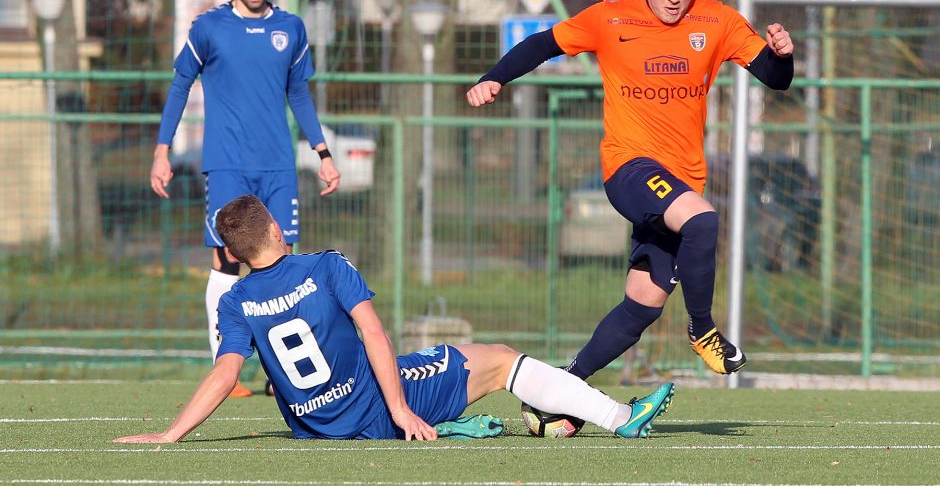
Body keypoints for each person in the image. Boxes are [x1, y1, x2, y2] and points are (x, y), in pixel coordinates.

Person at [466, 0, 794, 378]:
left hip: (682, 181)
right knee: (703, 220)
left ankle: (561, 390)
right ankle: (702, 330)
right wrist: (494, 78)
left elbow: (775, 79)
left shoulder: (718, 21)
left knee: (644, 304)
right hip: (629, 166)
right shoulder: (611, 17)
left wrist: (783, 56)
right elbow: (543, 44)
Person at [113, 195, 675, 443]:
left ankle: (451, 422)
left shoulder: (236, 302)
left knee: (435, 367)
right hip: (376, 408)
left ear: (235, 255)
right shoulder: (326, 266)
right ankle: (618, 415)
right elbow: (375, 333)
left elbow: (224, 375)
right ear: (278, 233)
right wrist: (400, 409)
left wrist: (170, 434)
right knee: (501, 359)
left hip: (314, 426)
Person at [150, 0, 341, 397]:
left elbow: (299, 94)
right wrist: (161, 149)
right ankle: (226, 368)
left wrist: (323, 152)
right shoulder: (209, 28)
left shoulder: (291, 29)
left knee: (285, 264)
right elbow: (180, 87)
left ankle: (285, 375)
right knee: (227, 259)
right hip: (228, 165)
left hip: (277, 165)